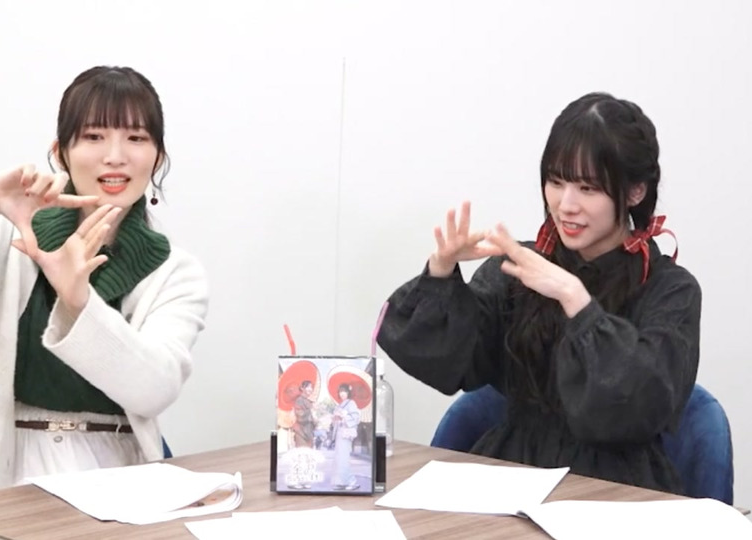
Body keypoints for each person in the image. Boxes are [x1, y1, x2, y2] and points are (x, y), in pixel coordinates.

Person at [0, 66, 209, 539]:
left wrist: (78, 302)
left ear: (157, 157)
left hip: (119, 480)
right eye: (93, 136)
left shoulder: (175, 272)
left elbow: (155, 389)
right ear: (60, 152)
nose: (115, 156)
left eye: (136, 138)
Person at [377, 92, 700, 494]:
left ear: (635, 191)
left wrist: (576, 300)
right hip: (514, 472)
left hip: (616, 487)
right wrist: (441, 271)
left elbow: (639, 403)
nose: (566, 205)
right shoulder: (521, 267)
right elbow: (454, 362)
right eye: (556, 182)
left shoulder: (671, 289)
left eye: (588, 188)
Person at [331, 384, 361, 490]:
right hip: (340, 433)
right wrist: (335, 418)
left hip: (346, 433)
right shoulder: (339, 405)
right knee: (339, 458)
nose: (342, 393)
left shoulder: (351, 403)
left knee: (344, 458)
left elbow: (355, 418)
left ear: (348, 392)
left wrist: (344, 416)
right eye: (340, 391)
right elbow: (335, 422)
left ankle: (351, 482)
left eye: (344, 391)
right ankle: (341, 482)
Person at [293, 380, 316, 449]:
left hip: (309, 433)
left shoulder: (309, 402)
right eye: (308, 387)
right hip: (301, 433)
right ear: (302, 388)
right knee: (302, 453)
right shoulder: (299, 400)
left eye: (311, 387)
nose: (310, 389)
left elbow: (313, 420)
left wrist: (315, 419)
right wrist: (311, 411)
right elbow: (299, 415)